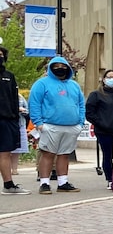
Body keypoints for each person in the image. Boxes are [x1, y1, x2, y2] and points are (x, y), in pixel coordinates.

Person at [29, 57, 84, 194]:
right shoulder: (42, 84)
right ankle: (44, 183)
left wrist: (80, 122)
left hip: (72, 126)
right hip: (50, 125)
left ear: (68, 68)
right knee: (47, 154)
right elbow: (34, 103)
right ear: (51, 67)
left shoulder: (74, 85)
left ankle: (63, 182)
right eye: (56, 66)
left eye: (63, 66)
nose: (60, 68)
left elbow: (81, 104)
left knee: (64, 154)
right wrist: (39, 123)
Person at [0, 47, 29, 194]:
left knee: (5, 153)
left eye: (1, 55)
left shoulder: (9, 76)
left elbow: (13, 100)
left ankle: (8, 185)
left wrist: (14, 118)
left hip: (7, 121)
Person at [11, 92, 29, 176]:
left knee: (17, 150)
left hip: (20, 124)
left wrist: (23, 111)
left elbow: (27, 109)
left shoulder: (20, 96)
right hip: (8, 124)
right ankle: (4, 169)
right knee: (5, 149)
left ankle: (14, 169)